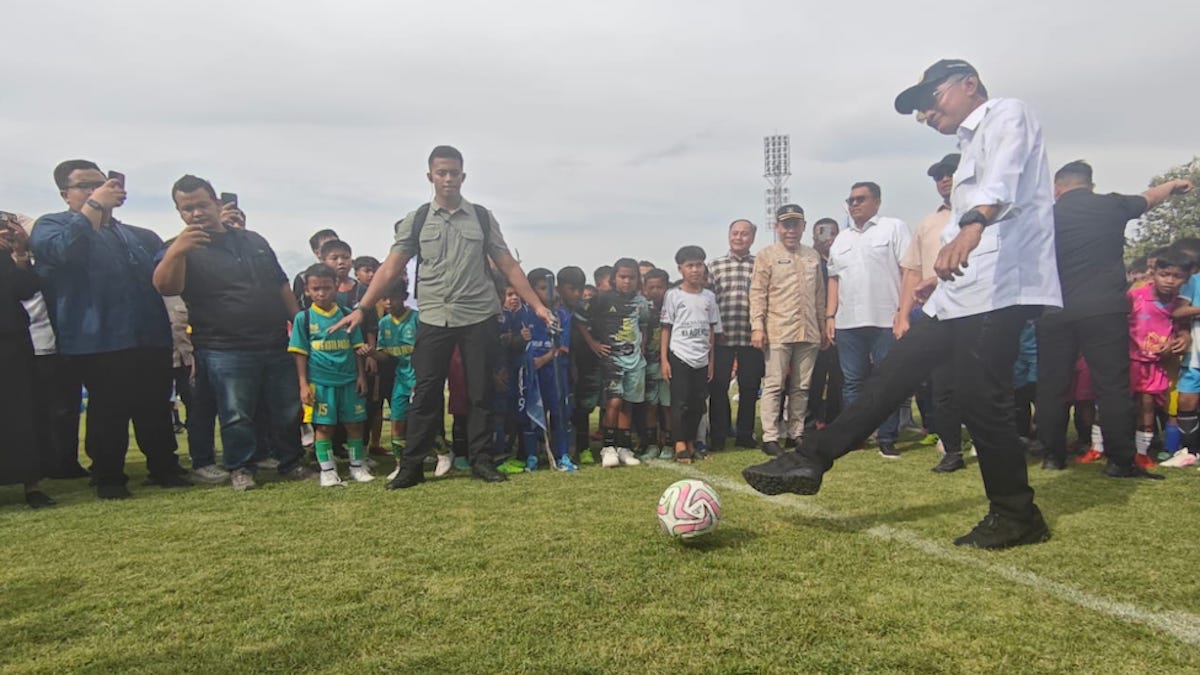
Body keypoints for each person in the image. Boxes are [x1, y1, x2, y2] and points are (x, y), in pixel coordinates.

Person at [746, 58, 1081, 549]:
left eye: (932, 100)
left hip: (1001, 286)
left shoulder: (1008, 114)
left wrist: (971, 228)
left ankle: (1016, 513)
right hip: (960, 290)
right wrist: (932, 279)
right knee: (894, 372)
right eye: (921, 108)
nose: (926, 115)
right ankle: (811, 457)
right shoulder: (968, 146)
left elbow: (1003, 182)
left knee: (979, 399)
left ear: (969, 85)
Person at [332, 145, 553, 489]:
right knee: (426, 393)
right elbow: (392, 266)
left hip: (479, 315)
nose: (448, 179)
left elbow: (507, 263)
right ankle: (412, 466)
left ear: (463, 176)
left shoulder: (481, 217)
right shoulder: (417, 218)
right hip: (434, 317)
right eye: (441, 172)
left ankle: (481, 461)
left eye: (454, 173)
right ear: (430, 176)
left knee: (480, 393)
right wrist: (362, 308)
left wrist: (538, 305)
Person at [31, 160, 187, 499]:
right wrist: (95, 206)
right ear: (65, 193)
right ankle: (108, 476)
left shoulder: (137, 235)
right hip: (97, 338)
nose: (96, 190)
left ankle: (164, 467)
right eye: (85, 186)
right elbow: (64, 252)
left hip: (148, 334)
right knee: (108, 409)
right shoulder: (50, 226)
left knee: (155, 406)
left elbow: (168, 269)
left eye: (100, 184)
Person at [153, 175, 315, 491]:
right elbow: (164, 285)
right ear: (179, 212)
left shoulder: (253, 240)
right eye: (187, 209)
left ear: (216, 203)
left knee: (285, 408)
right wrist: (177, 252)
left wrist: (298, 324)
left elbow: (280, 284)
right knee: (236, 412)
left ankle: (291, 461)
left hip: (273, 338)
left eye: (202, 205)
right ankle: (241, 467)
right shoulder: (179, 247)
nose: (196, 213)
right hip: (223, 345)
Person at [1035, 160, 1193, 470]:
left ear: (1057, 189)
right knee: (1112, 386)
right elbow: (1149, 198)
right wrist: (1173, 185)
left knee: (1052, 385)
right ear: (1091, 185)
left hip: (1054, 308)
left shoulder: (1045, 215)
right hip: (1103, 308)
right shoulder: (1111, 205)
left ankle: (1052, 456)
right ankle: (1120, 460)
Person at [827, 181, 911, 458]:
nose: (854, 205)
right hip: (847, 322)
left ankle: (887, 436)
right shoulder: (842, 238)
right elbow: (834, 280)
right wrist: (830, 316)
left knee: (886, 380)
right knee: (852, 382)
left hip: (886, 318)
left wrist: (904, 312)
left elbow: (908, 271)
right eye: (850, 200)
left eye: (860, 199)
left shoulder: (893, 227)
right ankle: (856, 436)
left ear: (877, 201)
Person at [897, 152, 968, 473]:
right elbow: (911, 271)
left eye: (950, 172)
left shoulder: (987, 216)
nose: (944, 179)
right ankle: (951, 449)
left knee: (987, 385)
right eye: (938, 175)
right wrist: (902, 315)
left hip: (980, 312)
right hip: (938, 315)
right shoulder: (928, 223)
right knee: (943, 388)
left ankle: (991, 442)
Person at [750, 205, 826, 456]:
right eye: (786, 225)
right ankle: (771, 436)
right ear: (777, 227)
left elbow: (820, 296)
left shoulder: (812, 256)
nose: (791, 230)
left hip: (809, 330)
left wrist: (823, 327)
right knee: (774, 385)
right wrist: (757, 327)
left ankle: (796, 433)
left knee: (802, 386)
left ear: (803, 226)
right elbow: (758, 293)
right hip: (777, 329)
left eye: (795, 224)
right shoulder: (766, 255)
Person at [289, 264, 372, 486]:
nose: (321, 293)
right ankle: (327, 471)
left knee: (354, 425)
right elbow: (300, 354)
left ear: (336, 287)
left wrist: (361, 376)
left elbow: (356, 349)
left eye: (326, 288)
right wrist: (303, 384)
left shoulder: (347, 315)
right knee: (324, 427)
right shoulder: (303, 319)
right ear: (307, 290)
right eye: (315, 289)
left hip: (348, 380)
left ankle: (357, 466)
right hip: (321, 383)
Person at [0, 216, 56, 507]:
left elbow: (25, 288)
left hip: (11, 342)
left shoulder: (5, 256)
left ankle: (32, 483)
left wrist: (19, 253)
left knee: (23, 412)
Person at [578, 258, 650, 468]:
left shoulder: (641, 302)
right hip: (613, 360)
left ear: (638, 280)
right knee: (614, 402)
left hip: (635, 360)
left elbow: (643, 325)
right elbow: (580, 319)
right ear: (614, 278)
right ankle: (607, 447)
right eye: (622, 277)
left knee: (628, 403)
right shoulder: (602, 299)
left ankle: (624, 447)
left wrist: (642, 345)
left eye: (632, 277)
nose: (627, 281)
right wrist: (593, 344)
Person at [661, 246, 723, 463]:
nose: (695, 270)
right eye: (690, 266)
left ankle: (691, 442)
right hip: (680, 354)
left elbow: (712, 331)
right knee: (680, 402)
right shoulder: (673, 295)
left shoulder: (709, 297)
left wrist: (711, 361)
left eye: (699, 265)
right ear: (680, 269)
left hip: (702, 356)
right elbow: (666, 328)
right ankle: (679, 443)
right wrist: (664, 360)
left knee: (698, 402)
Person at [1127, 253, 1189, 469]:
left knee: (1148, 406)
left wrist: (1177, 340)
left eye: (1177, 276)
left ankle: (1143, 452)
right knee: (1124, 406)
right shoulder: (1135, 296)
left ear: (1185, 278)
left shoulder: (1180, 303)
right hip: (1129, 362)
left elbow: (1181, 328)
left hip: (1158, 365)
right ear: (1153, 273)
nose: (1170, 280)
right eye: (1165, 274)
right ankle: (1099, 446)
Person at [708, 219, 764, 450]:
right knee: (719, 387)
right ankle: (719, 435)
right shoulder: (715, 266)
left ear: (752, 238)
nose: (739, 238)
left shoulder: (760, 264)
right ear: (728, 235)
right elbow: (708, 301)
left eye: (744, 234)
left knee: (749, 387)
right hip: (723, 337)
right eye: (735, 233)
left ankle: (745, 434)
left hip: (752, 336)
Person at [518, 269, 577, 472]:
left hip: (554, 371)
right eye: (542, 289)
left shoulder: (561, 315)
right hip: (530, 373)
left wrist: (543, 359)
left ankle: (563, 455)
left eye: (549, 288)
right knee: (531, 413)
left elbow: (563, 346)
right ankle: (532, 455)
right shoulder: (524, 312)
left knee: (559, 413)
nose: (548, 293)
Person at [806, 218, 842, 430]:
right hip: (814, 326)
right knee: (814, 377)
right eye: (822, 233)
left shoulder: (844, 257)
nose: (827, 238)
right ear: (814, 236)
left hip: (842, 325)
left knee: (840, 376)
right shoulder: (809, 260)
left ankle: (835, 420)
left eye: (831, 233)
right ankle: (811, 421)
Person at [639, 268, 672, 461]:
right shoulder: (643, 311)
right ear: (644, 288)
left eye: (660, 287)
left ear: (667, 287)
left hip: (668, 366)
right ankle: (651, 445)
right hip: (648, 366)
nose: (655, 291)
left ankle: (669, 444)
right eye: (651, 287)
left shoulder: (673, 308)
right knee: (650, 406)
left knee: (668, 407)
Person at [293, 229, 339, 308]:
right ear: (317, 253)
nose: (334, 248)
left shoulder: (348, 279)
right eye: (328, 245)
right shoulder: (304, 278)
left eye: (337, 244)